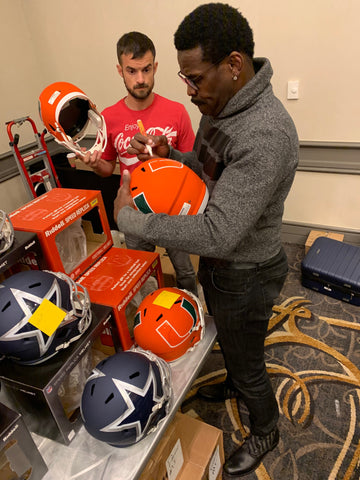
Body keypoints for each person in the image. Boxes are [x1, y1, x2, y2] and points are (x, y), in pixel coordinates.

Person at [113, 4, 298, 477]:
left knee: (247, 359)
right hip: (225, 266)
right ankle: (236, 381)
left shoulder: (266, 133)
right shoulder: (223, 103)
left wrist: (134, 222)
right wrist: (170, 154)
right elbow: (208, 170)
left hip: (247, 271)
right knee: (233, 348)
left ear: (233, 66)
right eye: (184, 77)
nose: (189, 90)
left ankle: (265, 428)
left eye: (195, 78)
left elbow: (218, 230)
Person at [80, 31, 198, 296]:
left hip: (173, 211)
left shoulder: (177, 111)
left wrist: (164, 159)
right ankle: (149, 320)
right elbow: (108, 168)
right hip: (134, 211)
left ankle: (193, 314)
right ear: (120, 70)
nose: (141, 79)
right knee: (139, 274)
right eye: (132, 71)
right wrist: (94, 163)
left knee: (186, 272)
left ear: (155, 66)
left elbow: (193, 165)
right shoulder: (109, 117)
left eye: (146, 69)